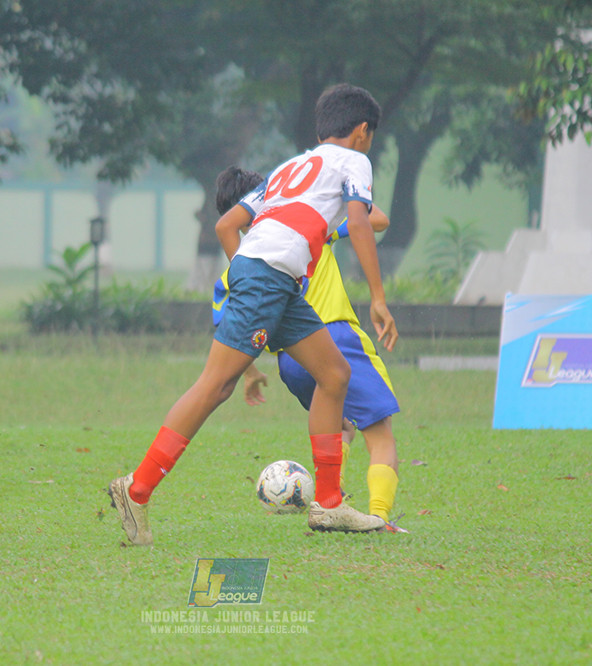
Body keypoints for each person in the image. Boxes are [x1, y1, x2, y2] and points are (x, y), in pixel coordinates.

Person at [108, 83, 396, 546]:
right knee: (215, 386)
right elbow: (362, 221)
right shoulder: (354, 161)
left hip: (272, 279)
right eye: (371, 136)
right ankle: (136, 490)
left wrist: (248, 269)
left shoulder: (290, 167)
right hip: (268, 277)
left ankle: (327, 504)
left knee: (335, 375)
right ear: (362, 131)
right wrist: (378, 298)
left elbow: (229, 224)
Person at [214, 166, 406, 534]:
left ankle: (333, 499)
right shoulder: (311, 224)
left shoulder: (240, 267)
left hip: (292, 360)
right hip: (336, 339)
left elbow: (227, 321)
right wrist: (341, 196)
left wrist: (251, 372)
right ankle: (381, 519)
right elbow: (378, 220)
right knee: (380, 433)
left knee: (341, 427)